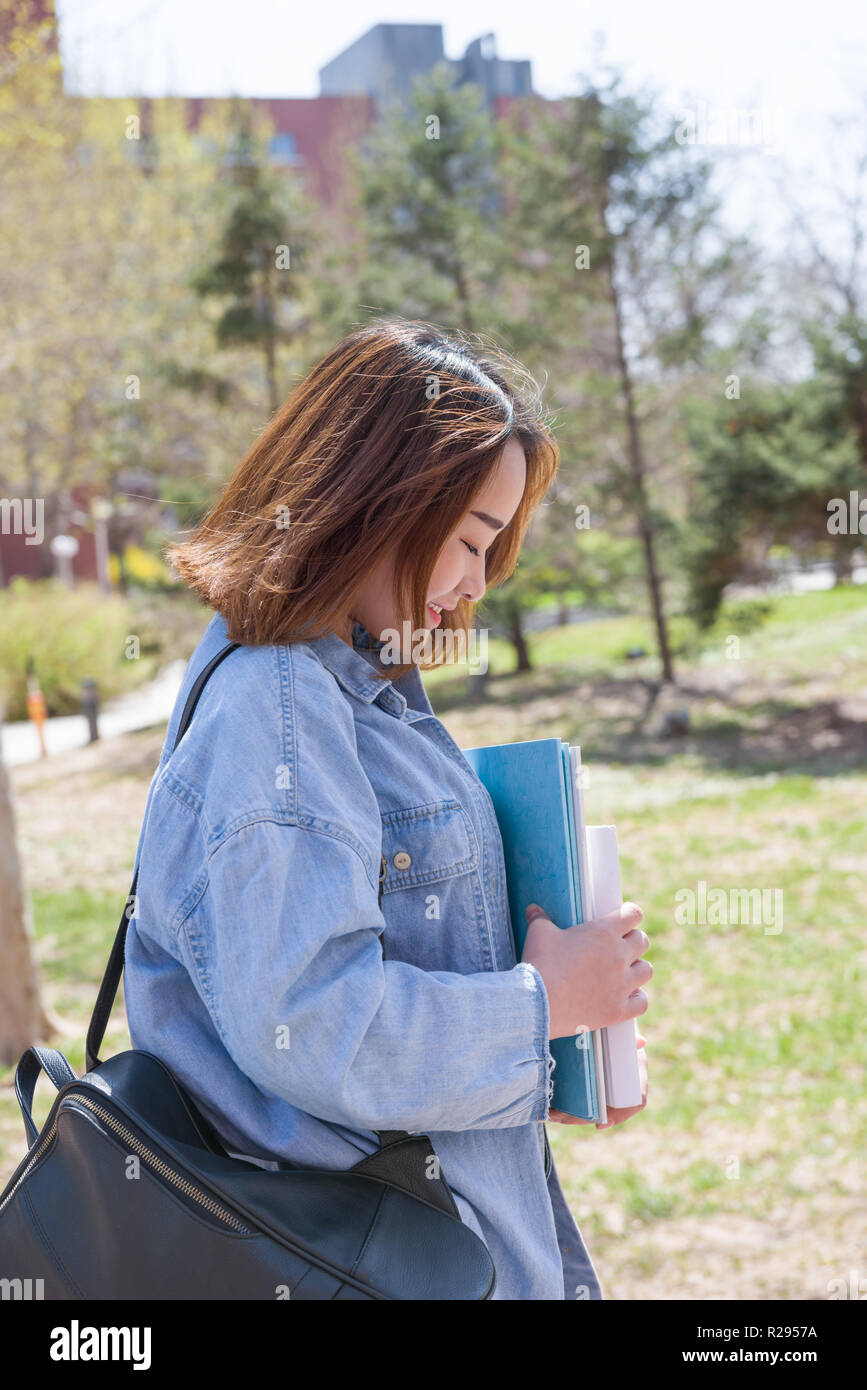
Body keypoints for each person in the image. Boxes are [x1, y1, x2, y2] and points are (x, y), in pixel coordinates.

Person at [123, 316, 651, 1300]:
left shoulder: (346, 684)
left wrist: (542, 1064)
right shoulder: (280, 709)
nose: (475, 585)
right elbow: (321, 1027)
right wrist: (544, 1006)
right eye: (471, 540)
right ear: (377, 499)